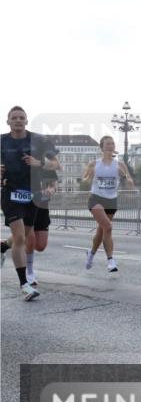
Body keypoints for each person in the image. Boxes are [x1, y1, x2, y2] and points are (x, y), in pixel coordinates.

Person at [1, 106, 60, 300]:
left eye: (22, 117)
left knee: (24, 237)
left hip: (33, 194)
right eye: (14, 118)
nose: (18, 120)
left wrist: (40, 163)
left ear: (26, 121)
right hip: (11, 192)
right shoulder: (1, 141)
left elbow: (56, 165)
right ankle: (24, 284)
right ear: (8, 121)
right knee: (19, 238)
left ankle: (2, 246)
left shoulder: (40, 140)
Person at [82, 136, 134, 272]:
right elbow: (84, 182)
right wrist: (89, 176)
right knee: (108, 226)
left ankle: (91, 254)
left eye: (112, 143)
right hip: (96, 198)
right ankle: (110, 260)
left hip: (111, 200)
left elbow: (130, 184)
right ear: (102, 147)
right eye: (108, 144)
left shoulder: (120, 165)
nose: (111, 146)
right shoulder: (94, 164)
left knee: (102, 229)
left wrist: (124, 177)